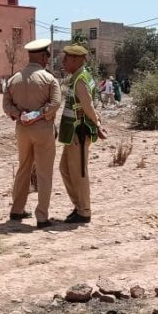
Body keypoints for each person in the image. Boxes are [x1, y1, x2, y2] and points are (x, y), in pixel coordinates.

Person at [3, 39, 62, 229]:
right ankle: (42, 216)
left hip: (22, 129)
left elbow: (6, 105)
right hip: (43, 129)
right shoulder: (49, 79)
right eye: (47, 57)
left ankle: (17, 210)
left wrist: (20, 114)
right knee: (44, 172)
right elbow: (55, 103)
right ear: (43, 57)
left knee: (23, 168)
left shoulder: (14, 79)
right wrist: (38, 114)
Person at [58, 45, 107, 225]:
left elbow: (87, 106)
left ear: (76, 60)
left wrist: (97, 123)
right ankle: (79, 206)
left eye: (66, 59)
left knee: (79, 172)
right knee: (65, 169)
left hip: (79, 132)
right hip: (72, 133)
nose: (63, 62)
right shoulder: (80, 77)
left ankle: (84, 211)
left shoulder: (80, 80)